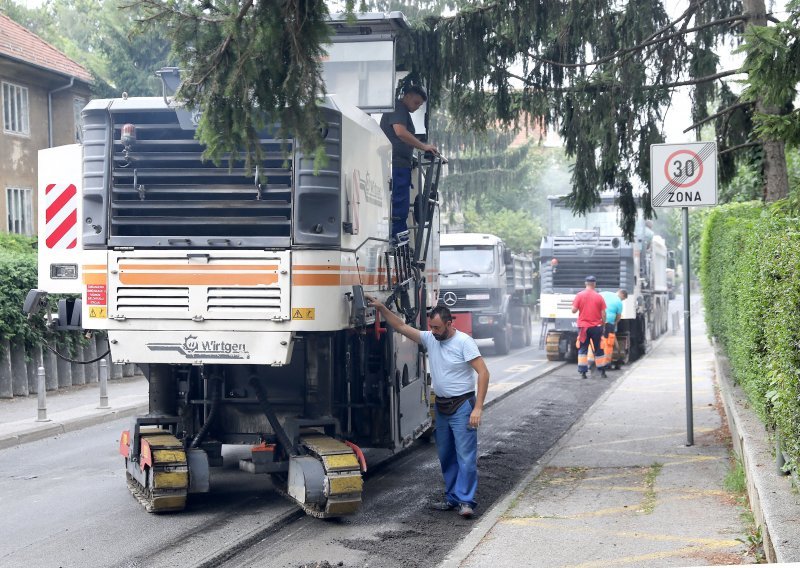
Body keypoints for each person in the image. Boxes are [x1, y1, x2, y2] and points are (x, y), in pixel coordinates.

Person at [366, 297, 489, 519]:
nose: (433, 331)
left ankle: (466, 501)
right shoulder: (431, 338)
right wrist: (383, 309)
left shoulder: (464, 342)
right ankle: (452, 497)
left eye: (437, 327)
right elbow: (401, 326)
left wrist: (478, 408)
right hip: (442, 405)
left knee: (466, 457)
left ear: (450, 323)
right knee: (445, 454)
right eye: (431, 327)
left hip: (463, 405)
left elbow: (483, 372)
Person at [379, 85, 439, 239]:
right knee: (400, 205)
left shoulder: (403, 110)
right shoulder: (398, 107)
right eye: (416, 102)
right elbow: (400, 132)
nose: (417, 107)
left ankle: (400, 238)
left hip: (401, 164)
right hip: (396, 163)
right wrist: (423, 146)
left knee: (402, 204)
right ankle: (398, 240)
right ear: (407, 96)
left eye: (420, 105)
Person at [572, 275, 607, 379]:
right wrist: (603, 325)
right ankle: (602, 372)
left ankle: (583, 373)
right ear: (594, 284)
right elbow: (603, 314)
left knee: (583, 349)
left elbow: (573, 310)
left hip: (583, 328)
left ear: (585, 284)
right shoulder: (599, 296)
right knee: (599, 349)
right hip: (597, 327)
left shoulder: (579, 295)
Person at [599, 288, 628, 368]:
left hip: (597, 321)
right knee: (608, 343)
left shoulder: (605, 293)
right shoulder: (619, 302)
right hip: (609, 323)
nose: (622, 300)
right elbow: (618, 317)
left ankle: (595, 361)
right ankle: (606, 362)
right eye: (623, 299)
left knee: (598, 340)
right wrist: (615, 323)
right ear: (622, 294)